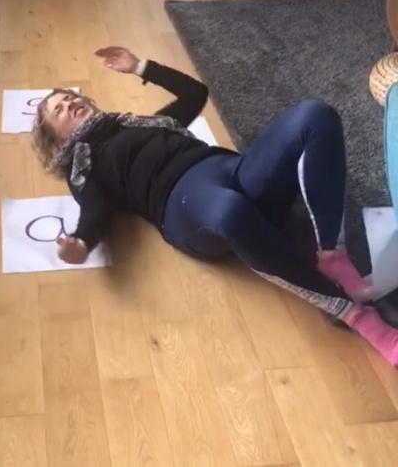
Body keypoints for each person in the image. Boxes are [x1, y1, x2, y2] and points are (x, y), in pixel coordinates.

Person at [31, 46, 398, 366]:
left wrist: (140, 66)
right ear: (56, 139)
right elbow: (93, 211)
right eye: (59, 109)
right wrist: (80, 244)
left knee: (314, 115)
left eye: (70, 97)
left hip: (232, 171)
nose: (70, 103)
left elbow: (195, 92)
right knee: (230, 209)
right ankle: (358, 317)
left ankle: (331, 256)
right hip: (186, 206)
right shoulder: (85, 164)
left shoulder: (143, 123)